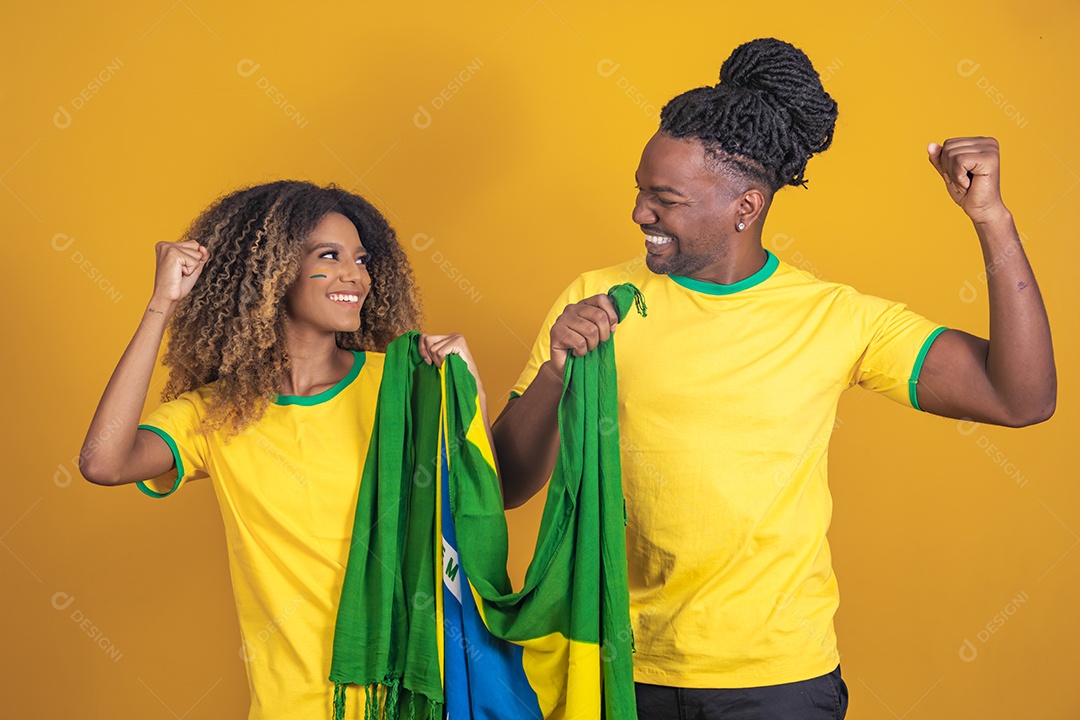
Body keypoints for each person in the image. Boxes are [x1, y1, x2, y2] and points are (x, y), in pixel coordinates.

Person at [491, 38, 1055, 720]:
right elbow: (507, 486)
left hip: (776, 682)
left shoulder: (834, 318)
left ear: (745, 207)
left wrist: (991, 220)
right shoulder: (597, 298)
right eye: (639, 192)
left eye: (663, 199)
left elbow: (1019, 398)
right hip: (615, 664)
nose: (640, 214)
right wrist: (556, 372)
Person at [78, 181, 489, 719]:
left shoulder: (404, 386)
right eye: (329, 256)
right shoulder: (217, 414)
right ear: (270, 273)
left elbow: (479, 510)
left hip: (413, 697)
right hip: (287, 705)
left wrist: (470, 389)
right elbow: (103, 462)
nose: (356, 276)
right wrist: (162, 304)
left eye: (362, 260)